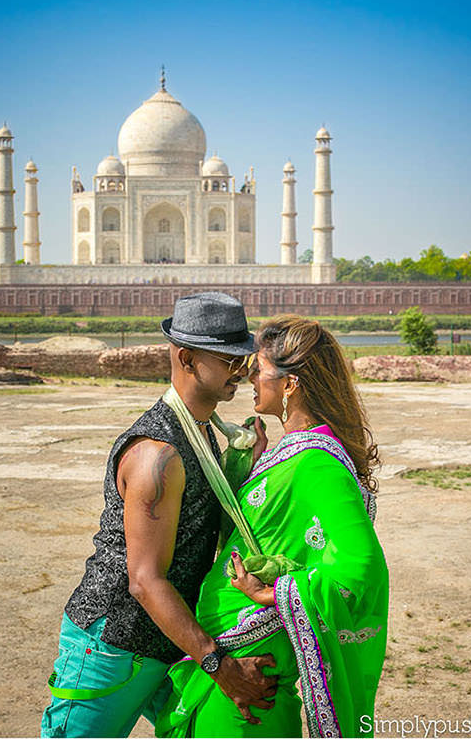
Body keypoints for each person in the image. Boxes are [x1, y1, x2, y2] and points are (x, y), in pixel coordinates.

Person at [42, 293, 278, 737]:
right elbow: (145, 580)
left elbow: (197, 527)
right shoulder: (158, 454)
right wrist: (220, 666)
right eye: (229, 359)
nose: (242, 371)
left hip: (167, 641)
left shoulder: (201, 433)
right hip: (114, 644)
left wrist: (245, 465)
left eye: (244, 359)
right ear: (187, 359)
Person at [160, 316, 388, 737]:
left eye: (258, 371)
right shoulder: (288, 453)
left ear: (290, 384)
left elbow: (362, 568)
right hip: (228, 658)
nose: (247, 377)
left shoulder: (318, 463)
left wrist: (276, 592)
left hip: (251, 670)